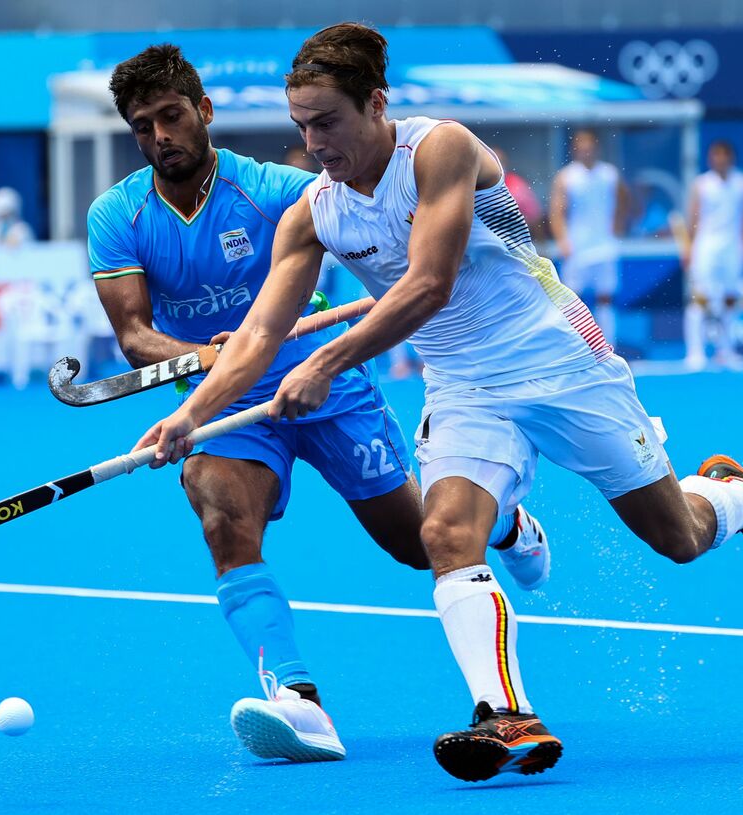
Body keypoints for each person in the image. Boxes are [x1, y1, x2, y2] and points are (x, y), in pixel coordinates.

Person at [135, 22, 743, 783]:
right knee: (445, 531)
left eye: (327, 122)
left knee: (677, 537)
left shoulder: (440, 148)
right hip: (463, 385)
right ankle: (504, 713)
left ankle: (732, 493)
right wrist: (191, 415)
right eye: (301, 125)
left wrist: (327, 361)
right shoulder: (314, 213)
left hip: (559, 360)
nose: (314, 143)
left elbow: (429, 283)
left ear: (376, 103)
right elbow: (257, 336)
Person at [94, 44, 552, 766]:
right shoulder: (118, 214)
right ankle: (297, 700)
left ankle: (507, 525)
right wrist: (209, 358)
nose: (160, 136)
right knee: (221, 516)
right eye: (142, 126)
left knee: (419, 543)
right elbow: (134, 336)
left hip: (325, 384)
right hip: (228, 404)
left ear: (204, 111)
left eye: (172, 116)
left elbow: (392, 250)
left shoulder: (280, 191)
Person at [550, 129, 627, 345]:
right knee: (573, 299)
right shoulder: (566, 177)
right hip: (577, 247)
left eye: (589, 148)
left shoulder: (610, 174)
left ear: (596, 148)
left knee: (606, 298)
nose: (586, 152)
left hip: (605, 246)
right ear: (575, 150)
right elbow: (557, 212)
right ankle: (575, 347)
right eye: (581, 148)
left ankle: (609, 346)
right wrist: (563, 240)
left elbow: (624, 201)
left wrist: (618, 225)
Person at [681, 141, 743, 370]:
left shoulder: (742, 183)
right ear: (710, 159)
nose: (720, 160)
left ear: (731, 158)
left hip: (733, 247)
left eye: (724, 155)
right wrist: (689, 248)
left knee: (730, 298)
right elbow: (693, 218)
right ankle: (695, 352)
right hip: (706, 246)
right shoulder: (702, 184)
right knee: (700, 298)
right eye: (715, 155)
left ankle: (727, 350)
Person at [491, 145, 544, 240]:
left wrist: (540, 242)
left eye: (499, 162)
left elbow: (534, 215)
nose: (496, 166)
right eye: (492, 162)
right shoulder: (475, 185)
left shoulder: (516, 184)